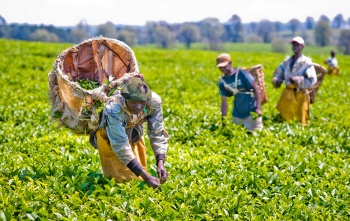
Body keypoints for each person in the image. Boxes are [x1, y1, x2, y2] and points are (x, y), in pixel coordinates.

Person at [92, 75, 169, 188]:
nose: (138, 107)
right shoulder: (114, 108)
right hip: (109, 135)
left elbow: (157, 132)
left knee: (137, 179)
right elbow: (120, 145)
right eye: (134, 102)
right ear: (126, 98)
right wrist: (147, 177)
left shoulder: (153, 102)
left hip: (133, 130)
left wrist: (160, 163)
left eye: (142, 102)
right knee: (119, 180)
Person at [272, 36, 317, 126]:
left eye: (297, 44)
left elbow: (312, 80)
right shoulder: (287, 61)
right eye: (294, 44)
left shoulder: (306, 63)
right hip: (287, 94)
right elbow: (278, 73)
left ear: (302, 46)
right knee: (285, 117)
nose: (295, 46)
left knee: (299, 118)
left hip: (300, 94)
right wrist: (277, 80)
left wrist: (299, 80)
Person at [216, 53, 263, 131]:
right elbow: (224, 102)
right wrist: (223, 119)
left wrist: (258, 108)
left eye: (224, 66)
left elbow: (256, 89)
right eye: (220, 67)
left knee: (255, 137)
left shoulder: (242, 73)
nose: (223, 69)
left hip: (252, 113)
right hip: (237, 116)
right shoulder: (222, 82)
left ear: (230, 63)